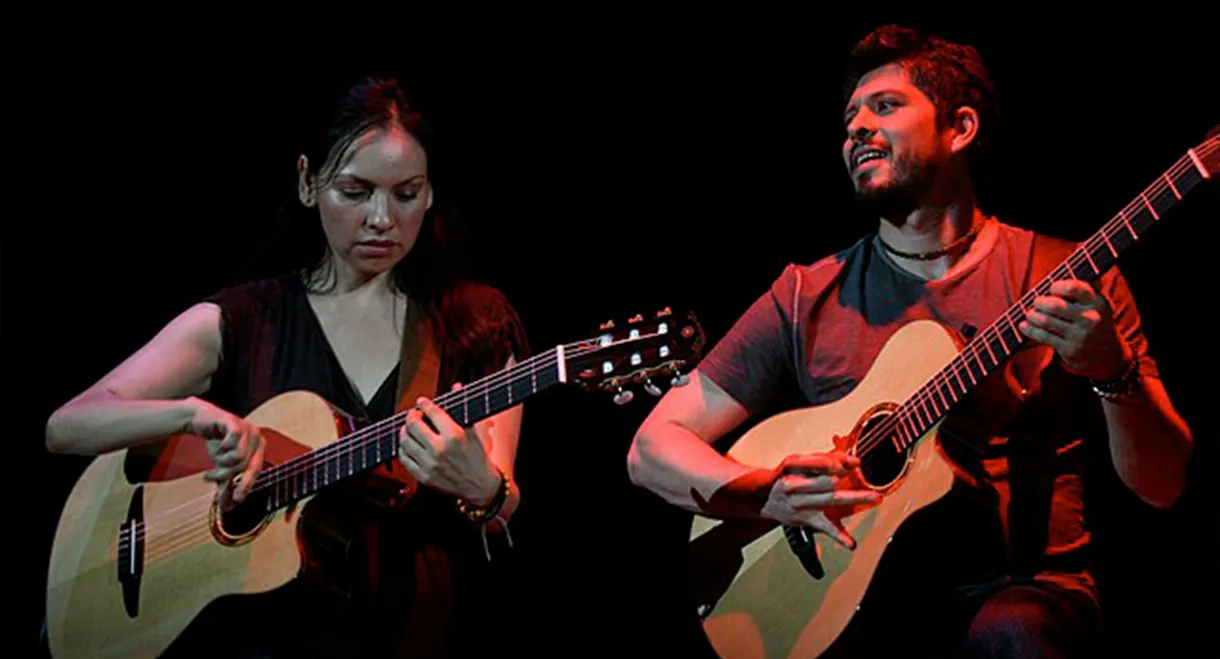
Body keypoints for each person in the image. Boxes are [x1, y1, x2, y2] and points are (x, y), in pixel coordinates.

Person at [627, 24, 1194, 658]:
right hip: (852, 599)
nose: (857, 129)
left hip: (1015, 592)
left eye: (886, 106)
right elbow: (652, 447)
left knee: (1013, 634)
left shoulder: (1065, 277)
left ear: (960, 129)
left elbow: (1164, 485)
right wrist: (769, 491)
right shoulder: (805, 294)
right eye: (850, 118)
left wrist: (1112, 370)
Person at [44, 76, 529, 658]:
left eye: (406, 194)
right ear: (307, 182)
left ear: (429, 195)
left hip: (417, 633)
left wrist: (484, 488)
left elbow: (497, 513)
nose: (382, 218)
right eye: (355, 192)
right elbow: (67, 425)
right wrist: (190, 416)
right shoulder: (247, 319)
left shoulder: (476, 322)